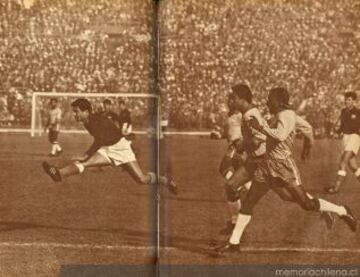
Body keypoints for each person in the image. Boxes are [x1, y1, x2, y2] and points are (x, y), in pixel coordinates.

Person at [217, 87, 357, 254]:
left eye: (270, 99)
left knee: (305, 203)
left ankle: (341, 210)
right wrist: (308, 143)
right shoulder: (277, 115)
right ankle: (234, 243)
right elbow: (305, 127)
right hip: (266, 165)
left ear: (278, 101)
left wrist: (252, 136)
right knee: (249, 202)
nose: (267, 101)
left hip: (283, 166)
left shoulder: (286, 115)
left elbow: (279, 135)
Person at [218, 84, 326, 236]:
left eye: (234, 98)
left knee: (291, 198)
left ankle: (323, 207)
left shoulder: (252, 115)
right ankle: (234, 230)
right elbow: (305, 127)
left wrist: (241, 145)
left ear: (242, 99)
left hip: (263, 161)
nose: (230, 101)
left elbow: (260, 139)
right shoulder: (247, 114)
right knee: (235, 188)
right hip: (255, 160)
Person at [42, 98, 177, 195]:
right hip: (106, 149)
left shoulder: (96, 121)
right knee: (85, 163)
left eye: (77, 111)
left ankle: (165, 180)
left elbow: (100, 139)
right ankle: (59, 174)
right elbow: (101, 140)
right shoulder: (87, 122)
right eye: (74, 111)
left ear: (86, 111)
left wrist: (87, 153)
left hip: (121, 148)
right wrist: (87, 155)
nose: (75, 114)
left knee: (141, 179)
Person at [325, 92, 360, 193]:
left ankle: (335, 188)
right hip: (345, 138)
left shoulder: (358, 112)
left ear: (354, 101)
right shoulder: (343, 111)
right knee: (353, 166)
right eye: (346, 99)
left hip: (355, 137)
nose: (346, 101)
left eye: (349, 100)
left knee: (343, 162)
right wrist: (336, 132)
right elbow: (342, 126)